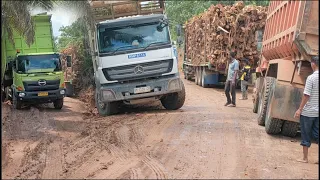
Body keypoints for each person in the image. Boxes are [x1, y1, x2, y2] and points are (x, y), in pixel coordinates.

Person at [294, 56, 319, 164]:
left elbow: (306, 95)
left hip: (308, 112)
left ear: (313, 64)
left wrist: (300, 109)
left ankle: (305, 158)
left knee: (305, 134)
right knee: (317, 135)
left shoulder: (311, 78)